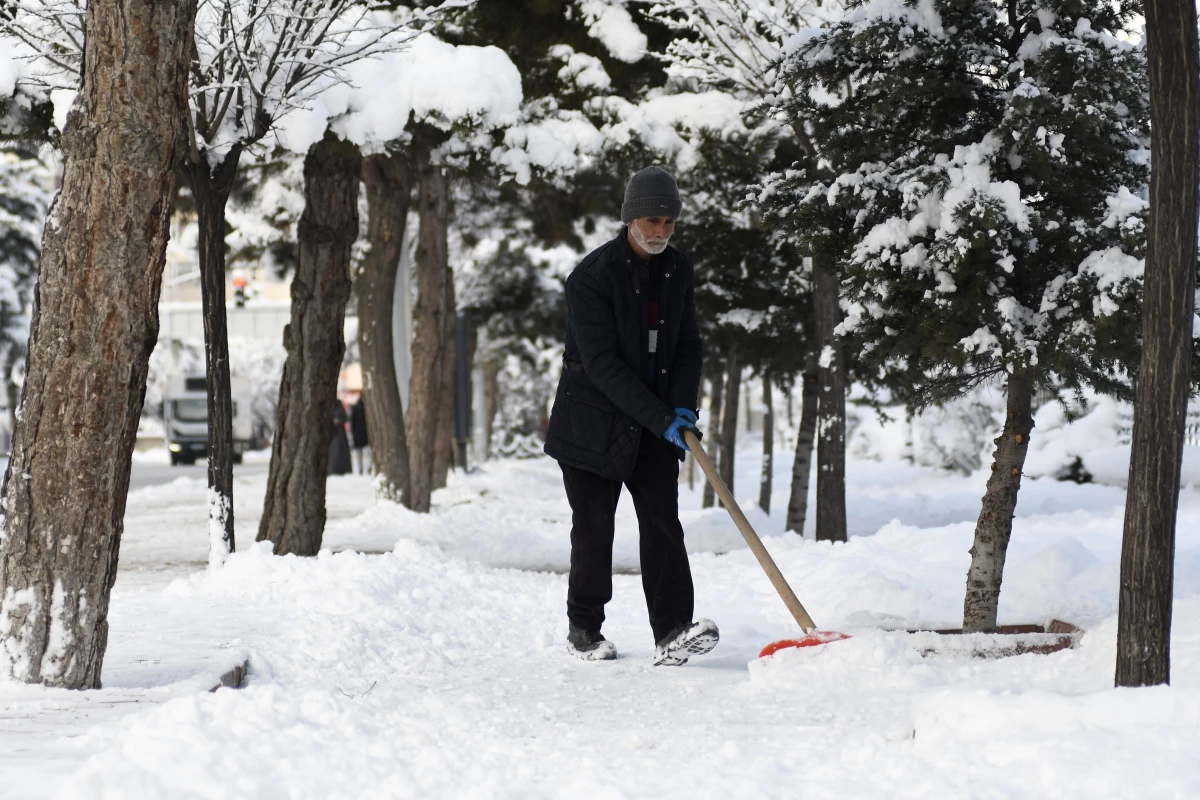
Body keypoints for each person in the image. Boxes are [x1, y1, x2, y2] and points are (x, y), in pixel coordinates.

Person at [543, 166, 717, 666]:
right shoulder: (592, 278)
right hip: (591, 422)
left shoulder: (678, 270)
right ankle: (584, 628)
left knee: (663, 522)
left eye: (668, 221)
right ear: (629, 218)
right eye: (651, 220)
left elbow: (687, 344)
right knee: (595, 526)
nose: (660, 231)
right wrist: (661, 417)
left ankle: (673, 631)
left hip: (657, 419)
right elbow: (601, 365)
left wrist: (681, 407)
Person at [328, 399, 352, 476]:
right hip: (332, 433)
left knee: (339, 451)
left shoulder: (339, 407)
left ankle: (340, 469)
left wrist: (338, 421)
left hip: (340, 433)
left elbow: (345, 418)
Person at [349, 395, 369, 474]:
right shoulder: (364, 409)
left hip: (358, 433)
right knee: (365, 452)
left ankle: (361, 468)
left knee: (360, 453)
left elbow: (352, 422)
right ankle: (365, 468)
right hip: (363, 433)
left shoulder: (355, 408)